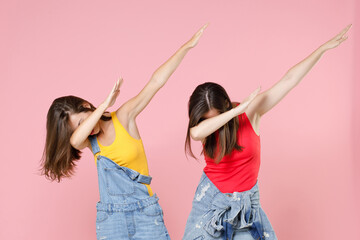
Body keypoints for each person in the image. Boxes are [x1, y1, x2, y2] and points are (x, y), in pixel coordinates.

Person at [183, 24, 351, 240]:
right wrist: (233, 113)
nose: (211, 123)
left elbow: (289, 80)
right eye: (206, 119)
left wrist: (321, 50)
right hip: (211, 203)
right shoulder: (206, 128)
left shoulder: (251, 113)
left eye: (214, 116)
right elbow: (196, 134)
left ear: (225, 104)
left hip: (246, 204)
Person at [40, 24, 207, 240]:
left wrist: (187, 46)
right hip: (111, 221)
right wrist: (102, 105)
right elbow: (74, 141)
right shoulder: (89, 141)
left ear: (85, 105)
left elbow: (156, 82)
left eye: (84, 121)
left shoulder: (124, 117)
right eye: (81, 127)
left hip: (146, 213)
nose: (88, 129)